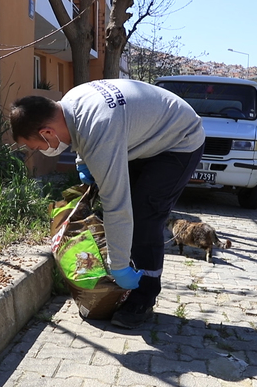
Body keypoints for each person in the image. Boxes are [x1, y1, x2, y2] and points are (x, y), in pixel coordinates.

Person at [10, 79, 205, 329]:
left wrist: (119, 265)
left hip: (179, 140)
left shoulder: (100, 128)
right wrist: (83, 163)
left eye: (33, 146)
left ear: (47, 133)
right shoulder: (70, 103)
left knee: (145, 215)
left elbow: (117, 205)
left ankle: (143, 295)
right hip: (144, 137)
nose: (35, 150)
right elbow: (82, 133)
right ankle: (126, 277)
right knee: (128, 210)